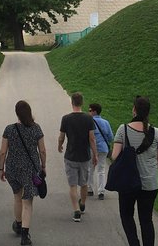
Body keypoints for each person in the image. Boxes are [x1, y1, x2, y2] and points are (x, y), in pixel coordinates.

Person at [111, 96, 158, 246]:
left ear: (134, 110)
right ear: (148, 112)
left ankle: (134, 243)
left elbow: (114, 155)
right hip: (149, 183)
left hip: (128, 182)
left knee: (127, 215)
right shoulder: (156, 132)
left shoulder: (123, 129)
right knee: (146, 219)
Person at [0, 100, 47, 246]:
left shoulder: (9, 129)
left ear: (17, 113)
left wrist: (1, 169)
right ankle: (25, 236)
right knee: (28, 202)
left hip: (12, 168)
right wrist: (43, 166)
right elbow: (43, 150)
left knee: (17, 197)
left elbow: (2, 152)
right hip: (30, 170)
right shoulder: (36, 128)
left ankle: (18, 224)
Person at [58, 92, 98, 222]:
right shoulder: (88, 118)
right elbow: (92, 138)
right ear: (82, 102)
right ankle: (82, 203)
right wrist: (95, 154)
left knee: (73, 185)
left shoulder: (66, 118)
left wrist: (59, 145)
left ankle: (76, 211)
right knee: (84, 183)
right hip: (85, 156)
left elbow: (62, 136)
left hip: (70, 155)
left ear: (72, 102)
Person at [87, 103, 114, 200]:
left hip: (91, 149)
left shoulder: (89, 122)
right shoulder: (106, 122)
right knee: (101, 170)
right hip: (103, 149)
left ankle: (90, 189)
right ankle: (101, 191)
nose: (88, 112)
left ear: (94, 111)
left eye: (90, 110)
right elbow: (111, 137)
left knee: (90, 169)